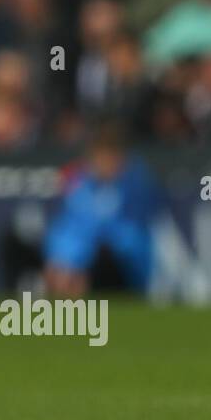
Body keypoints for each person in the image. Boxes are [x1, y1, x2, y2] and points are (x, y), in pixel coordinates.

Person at [43, 123, 160, 297]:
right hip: (82, 265)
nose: (106, 163)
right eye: (101, 157)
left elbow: (134, 237)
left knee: (105, 259)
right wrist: (66, 261)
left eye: (111, 157)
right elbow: (66, 230)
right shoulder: (79, 186)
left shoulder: (137, 185)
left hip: (122, 266)